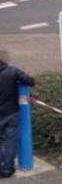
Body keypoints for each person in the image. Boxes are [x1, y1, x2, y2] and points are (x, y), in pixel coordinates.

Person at [0, 50, 35, 178]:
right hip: (11, 112)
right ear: (5, 60)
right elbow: (31, 81)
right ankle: (7, 169)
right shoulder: (13, 71)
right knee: (11, 141)